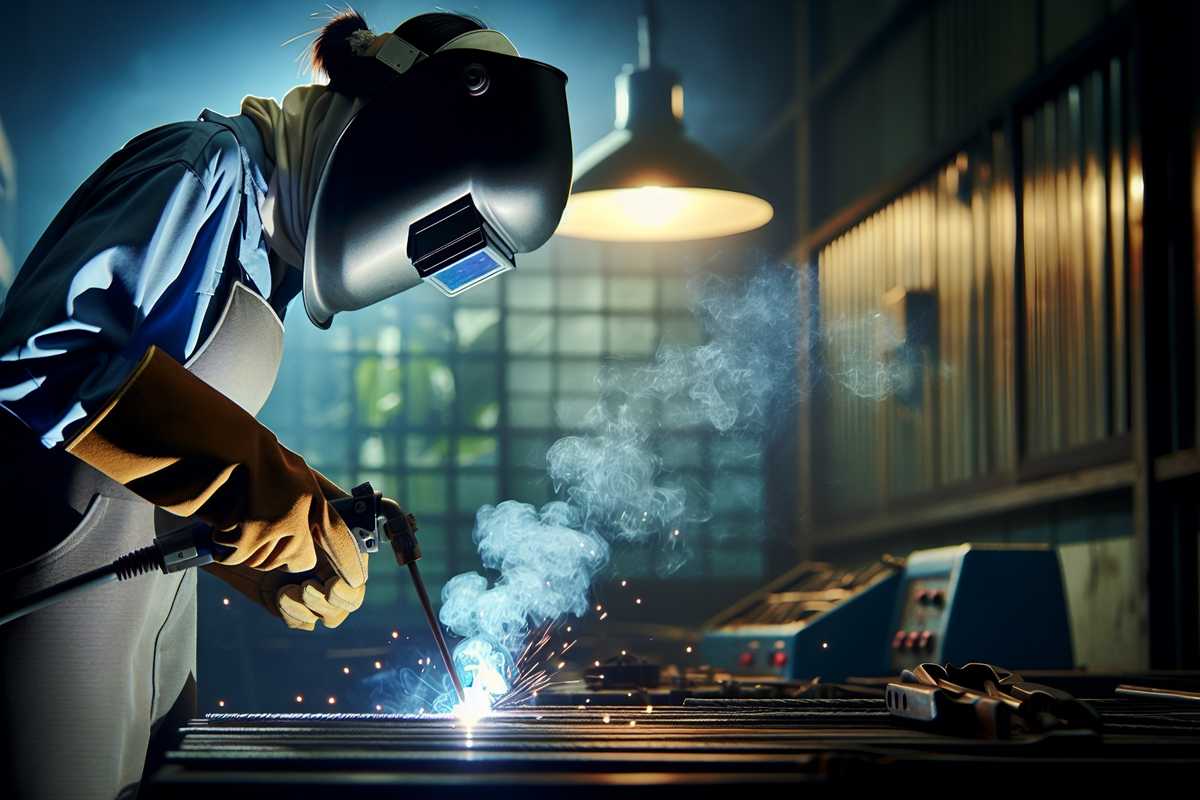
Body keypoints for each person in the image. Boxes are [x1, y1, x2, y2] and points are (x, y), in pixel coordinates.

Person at [0, 10, 571, 798]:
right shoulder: (199, 171)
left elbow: (145, 439)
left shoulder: (267, 247)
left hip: (154, 641)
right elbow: (41, 361)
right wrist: (259, 489)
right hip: (53, 621)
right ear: (407, 133)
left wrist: (270, 526)